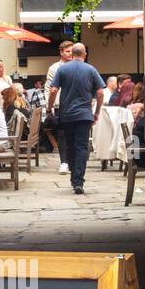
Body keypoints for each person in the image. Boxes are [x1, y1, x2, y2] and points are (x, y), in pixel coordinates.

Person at [48, 41, 105, 194]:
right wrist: (97, 111)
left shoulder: (62, 69)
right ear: (85, 54)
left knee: (70, 146)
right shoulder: (91, 69)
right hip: (85, 115)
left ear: (72, 53)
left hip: (67, 115)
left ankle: (74, 176)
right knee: (81, 147)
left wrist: (49, 108)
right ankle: (78, 181)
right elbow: (100, 93)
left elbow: (53, 91)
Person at [44, 38, 74, 170]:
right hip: (59, 105)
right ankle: (64, 162)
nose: (70, 54)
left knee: (73, 134)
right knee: (62, 134)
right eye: (67, 51)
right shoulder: (54, 68)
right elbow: (49, 88)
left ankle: (72, 160)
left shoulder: (76, 65)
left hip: (74, 104)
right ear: (61, 52)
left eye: (72, 51)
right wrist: (49, 106)